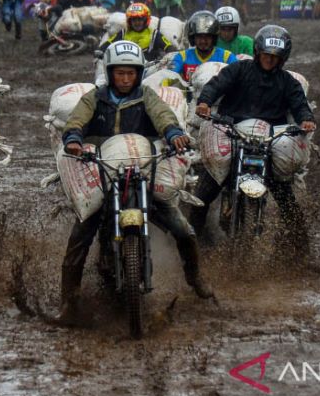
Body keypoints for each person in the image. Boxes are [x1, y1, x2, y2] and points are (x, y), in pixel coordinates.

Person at [57, 40, 214, 323]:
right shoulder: (95, 97)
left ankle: (195, 277)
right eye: (120, 73)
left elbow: (163, 116)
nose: (126, 79)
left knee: (182, 227)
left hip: (142, 170)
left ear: (139, 74)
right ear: (110, 72)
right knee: (81, 234)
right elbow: (76, 121)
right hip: (105, 171)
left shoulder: (147, 96)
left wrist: (173, 133)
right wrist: (73, 139)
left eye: (131, 73)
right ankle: (68, 300)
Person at [191, 25, 316, 254]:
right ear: (258, 52)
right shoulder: (240, 69)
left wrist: (306, 119)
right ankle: (191, 245)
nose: (269, 60)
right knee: (203, 193)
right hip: (232, 134)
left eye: (275, 57)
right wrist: (205, 102)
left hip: (268, 143)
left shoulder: (288, 82)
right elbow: (216, 84)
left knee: (285, 196)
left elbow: (299, 104)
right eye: (266, 55)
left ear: (282, 59)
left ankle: (299, 248)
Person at [170, 11, 237, 84]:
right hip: (190, 95)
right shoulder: (182, 57)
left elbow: (239, 77)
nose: (203, 41)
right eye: (199, 36)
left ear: (214, 38)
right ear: (193, 38)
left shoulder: (227, 57)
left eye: (207, 36)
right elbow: (168, 76)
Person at [99, 3, 173, 60]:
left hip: (149, 70)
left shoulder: (154, 34)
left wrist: (171, 54)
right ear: (129, 21)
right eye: (134, 20)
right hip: (126, 68)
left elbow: (168, 46)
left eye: (140, 19)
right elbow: (108, 43)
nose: (137, 23)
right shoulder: (123, 33)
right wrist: (100, 51)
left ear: (146, 20)